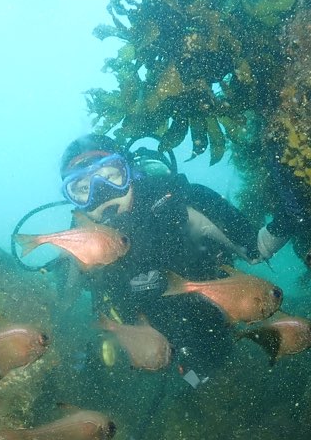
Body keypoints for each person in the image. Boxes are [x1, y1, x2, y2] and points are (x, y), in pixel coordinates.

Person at [57, 133, 291, 384]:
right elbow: (63, 304)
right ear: (75, 202)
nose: (102, 193)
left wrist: (292, 214)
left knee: (231, 375)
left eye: (111, 175)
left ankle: (209, 382)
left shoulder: (179, 203)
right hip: (157, 355)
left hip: (219, 327)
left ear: (131, 172)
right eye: (82, 189)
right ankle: (195, 385)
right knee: (192, 381)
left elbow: (257, 248)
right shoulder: (77, 244)